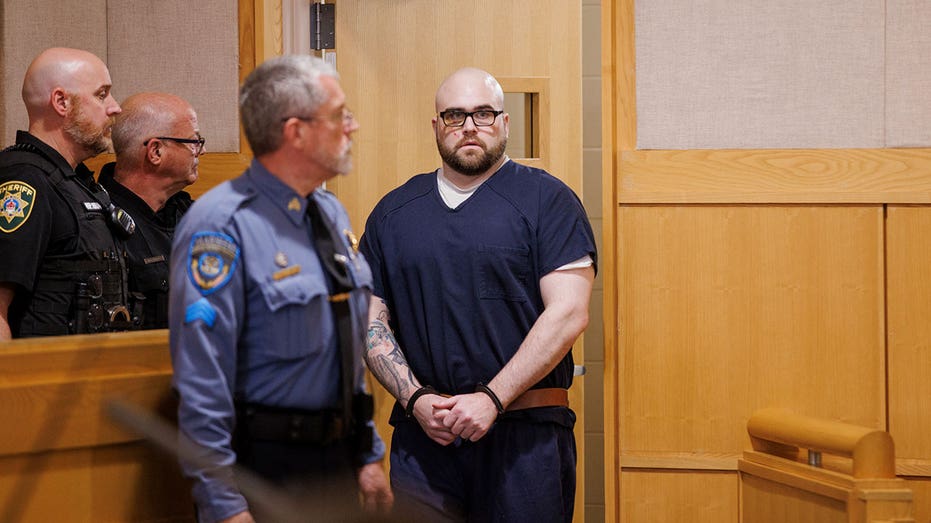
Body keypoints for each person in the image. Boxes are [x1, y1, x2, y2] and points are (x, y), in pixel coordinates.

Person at [360, 67, 597, 522]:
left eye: (483, 114)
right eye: (455, 115)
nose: (469, 126)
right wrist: (415, 399)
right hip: (424, 440)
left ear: (504, 123)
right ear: (436, 126)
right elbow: (369, 317)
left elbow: (569, 313)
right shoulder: (393, 213)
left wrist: (492, 398)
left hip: (524, 441)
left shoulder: (548, 201)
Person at [169, 55, 392, 523]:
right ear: (296, 132)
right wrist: (224, 505)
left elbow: (344, 347)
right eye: (339, 115)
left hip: (337, 464)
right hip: (264, 471)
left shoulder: (328, 213)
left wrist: (368, 454)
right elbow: (202, 381)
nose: (351, 126)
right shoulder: (221, 224)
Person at [0, 47, 131, 340]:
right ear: (61, 102)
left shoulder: (79, 182)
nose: (115, 107)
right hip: (43, 366)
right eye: (101, 95)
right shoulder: (24, 180)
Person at [100, 92, 202, 329]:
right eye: (194, 142)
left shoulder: (195, 216)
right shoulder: (100, 224)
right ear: (156, 151)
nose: (201, 151)